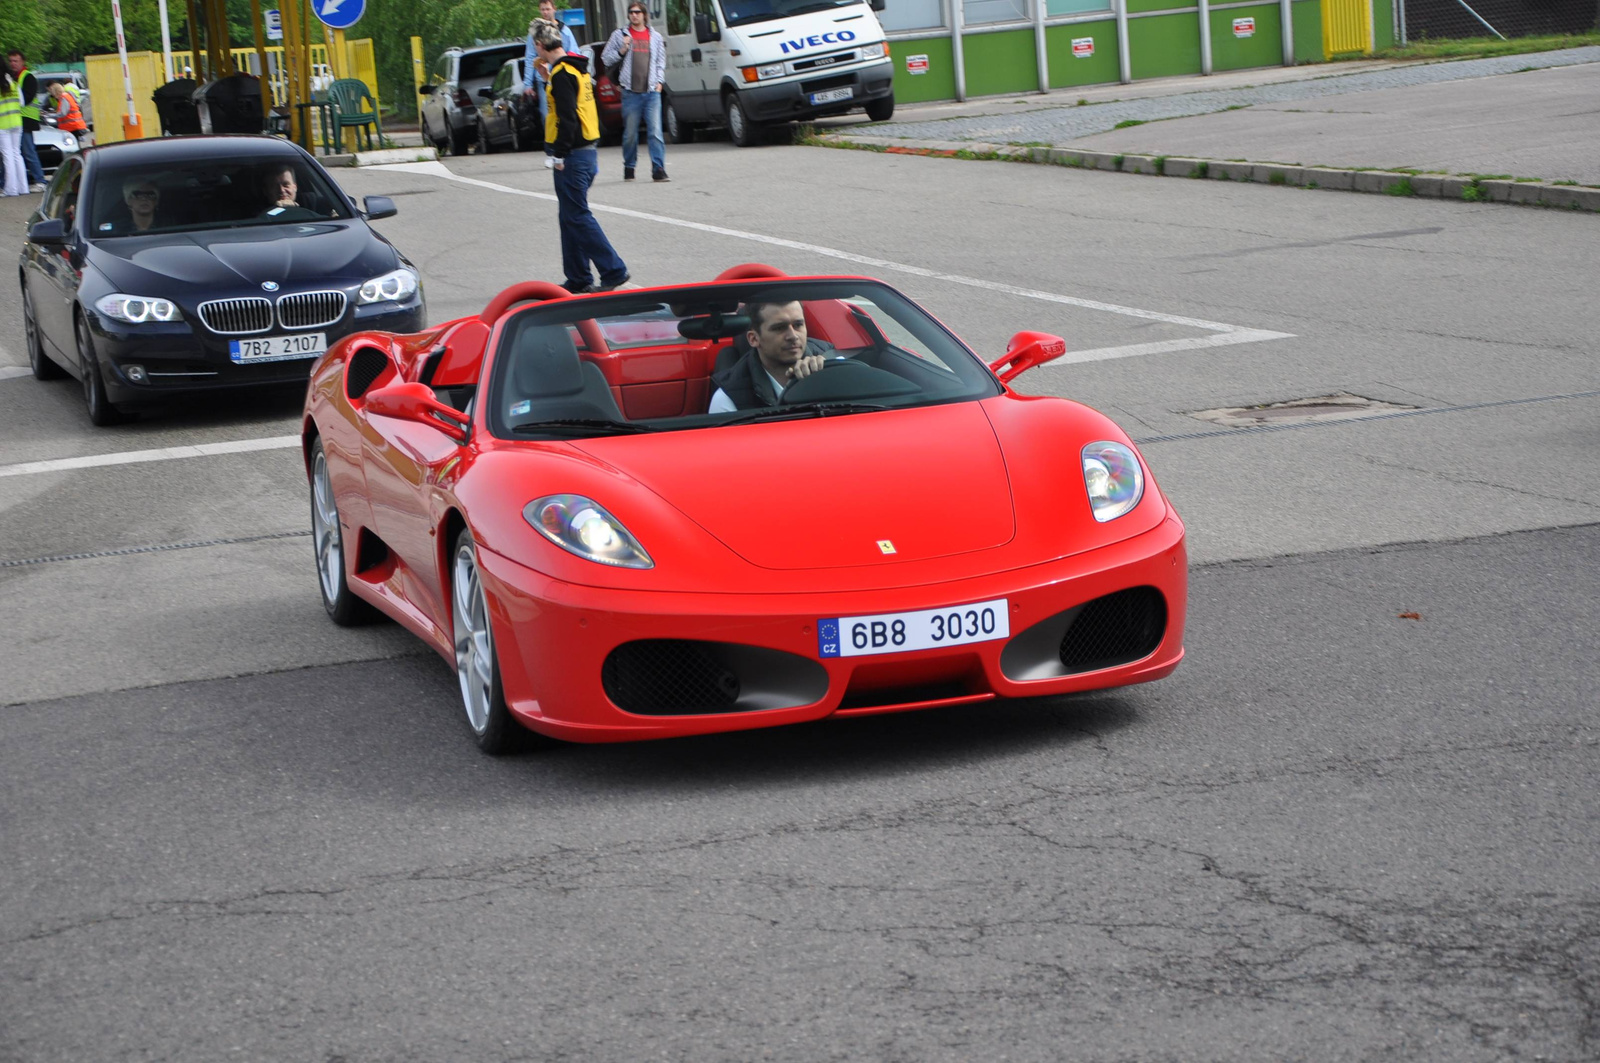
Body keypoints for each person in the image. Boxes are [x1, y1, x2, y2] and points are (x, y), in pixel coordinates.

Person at [535, 19, 629, 294]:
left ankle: (613, 270)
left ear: (540, 46)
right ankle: (578, 277)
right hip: (585, 152)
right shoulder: (573, 69)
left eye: (536, 47)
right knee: (569, 217)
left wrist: (559, 154)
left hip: (573, 154)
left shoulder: (563, 74)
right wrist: (546, 80)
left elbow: (567, 118)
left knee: (577, 215)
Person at [708, 301, 836, 412]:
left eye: (798, 325)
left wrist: (827, 379)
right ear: (753, 339)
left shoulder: (835, 365)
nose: (793, 336)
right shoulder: (727, 399)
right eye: (779, 328)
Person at [601, 3, 668, 182]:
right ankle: (629, 166)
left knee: (655, 132)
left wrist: (660, 82)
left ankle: (658, 169)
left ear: (644, 15)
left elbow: (661, 61)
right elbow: (605, 58)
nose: (634, 15)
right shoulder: (620, 35)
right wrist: (622, 50)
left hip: (652, 91)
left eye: (637, 12)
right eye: (631, 12)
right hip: (630, 92)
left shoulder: (655, 36)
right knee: (630, 133)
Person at [523, 0, 578, 135]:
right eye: (542, 10)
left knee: (567, 110)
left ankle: (568, 141)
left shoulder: (565, 30)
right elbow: (530, 57)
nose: (545, 12)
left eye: (547, 9)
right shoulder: (534, 34)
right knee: (547, 114)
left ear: (554, 9)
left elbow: (574, 53)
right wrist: (527, 84)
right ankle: (552, 145)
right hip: (545, 80)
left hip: (564, 76)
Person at [6, 51, 47, 192]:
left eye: (16, 61)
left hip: (26, 119)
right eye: (11, 61)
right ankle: (20, 182)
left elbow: (27, 98)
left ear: (23, 62)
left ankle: (40, 180)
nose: (13, 64)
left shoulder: (27, 77)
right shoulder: (11, 77)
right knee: (18, 153)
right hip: (16, 119)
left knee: (28, 151)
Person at [0, 66, 26, 197]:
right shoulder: (14, 83)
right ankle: (23, 187)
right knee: (17, 153)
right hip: (17, 122)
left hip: (2, 124)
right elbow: (21, 102)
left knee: (7, 156)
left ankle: (11, 189)